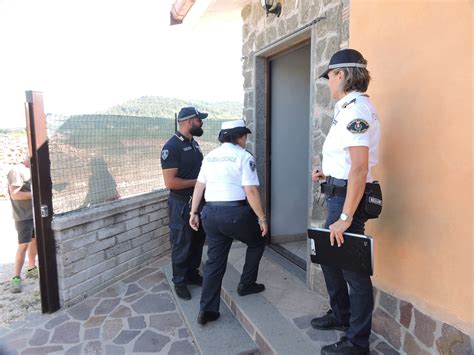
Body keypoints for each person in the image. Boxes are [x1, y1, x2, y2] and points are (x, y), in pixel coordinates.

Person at [310, 49, 381, 355]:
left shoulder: (355, 112)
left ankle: (357, 342)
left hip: (346, 203)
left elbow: (360, 167)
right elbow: (348, 159)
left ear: (340, 75)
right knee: (330, 258)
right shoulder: (349, 109)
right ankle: (341, 314)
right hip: (338, 193)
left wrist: (347, 216)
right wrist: (327, 172)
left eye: (329, 77)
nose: (328, 83)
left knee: (354, 272)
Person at [189, 119, 268, 325]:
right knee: (258, 241)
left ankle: (207, 310)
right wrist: (262, 218)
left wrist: (193, 212)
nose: (245, 140)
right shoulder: (243, 156)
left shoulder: (210, 157)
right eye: (244, 136)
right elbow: (250, 190)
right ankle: (247, 284)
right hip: (235, 213)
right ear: (239, 136)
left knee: (215, 261)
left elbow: (199, 186)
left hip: (210, 214)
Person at [161, 106, 207, 300]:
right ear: (189, 121)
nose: (201, 123)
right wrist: (198, 183)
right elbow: (170, 182)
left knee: (197, 240)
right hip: (181, 204)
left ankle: (192, 274)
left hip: (199, 202)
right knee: (182, 242)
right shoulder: (171, 147)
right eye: (199, 120)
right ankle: (179, 281)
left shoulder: (194, 144)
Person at [7, 153, 38, 293]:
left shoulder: (30, 170)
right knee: (23, 246)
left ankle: (31, 268)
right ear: (27, 156)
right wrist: (37, 194)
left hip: (34, 215)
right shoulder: (16, 171)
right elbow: (15, 194)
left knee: (34, 242)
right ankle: (16, 277)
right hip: (23, 217)